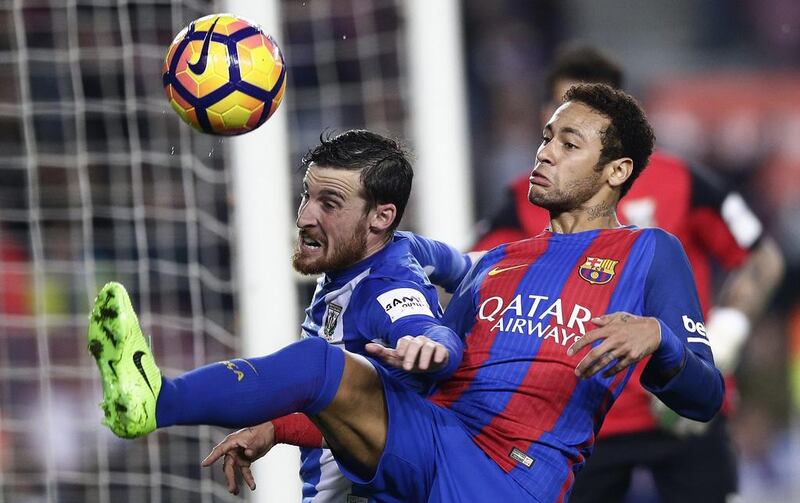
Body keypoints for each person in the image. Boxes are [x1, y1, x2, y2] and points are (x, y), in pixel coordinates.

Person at [89, 84, 724, 502]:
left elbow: (704, 396)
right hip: (435, 441)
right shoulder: (498, 262)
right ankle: (154, 401)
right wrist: (277, 426)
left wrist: (662, 340)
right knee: (323, 366)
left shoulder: (648, 253)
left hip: (507, 478)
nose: (544, 152)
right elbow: (426, 381)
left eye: (568, 143)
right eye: (544, 138)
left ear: (616, 172)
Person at [90, 129, 475, 501]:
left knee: (314, 364)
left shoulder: (385, 288)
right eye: (307, 195)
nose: (304, 217)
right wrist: (276, 428)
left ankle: (157, 401)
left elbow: (421, 326)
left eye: (330, 204)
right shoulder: (403, 247)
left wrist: (434, 345)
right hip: (360, 463)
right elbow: (462, 268)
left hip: (376, 488)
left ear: (381, 217)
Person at [473, 45, 785, 503]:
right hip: (584, 413)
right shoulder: (527, 195)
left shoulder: (682, 180)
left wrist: (721, 341)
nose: (562, 138)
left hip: (677, 410)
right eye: (557, 122)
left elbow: (762, 258)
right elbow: (471, 275)